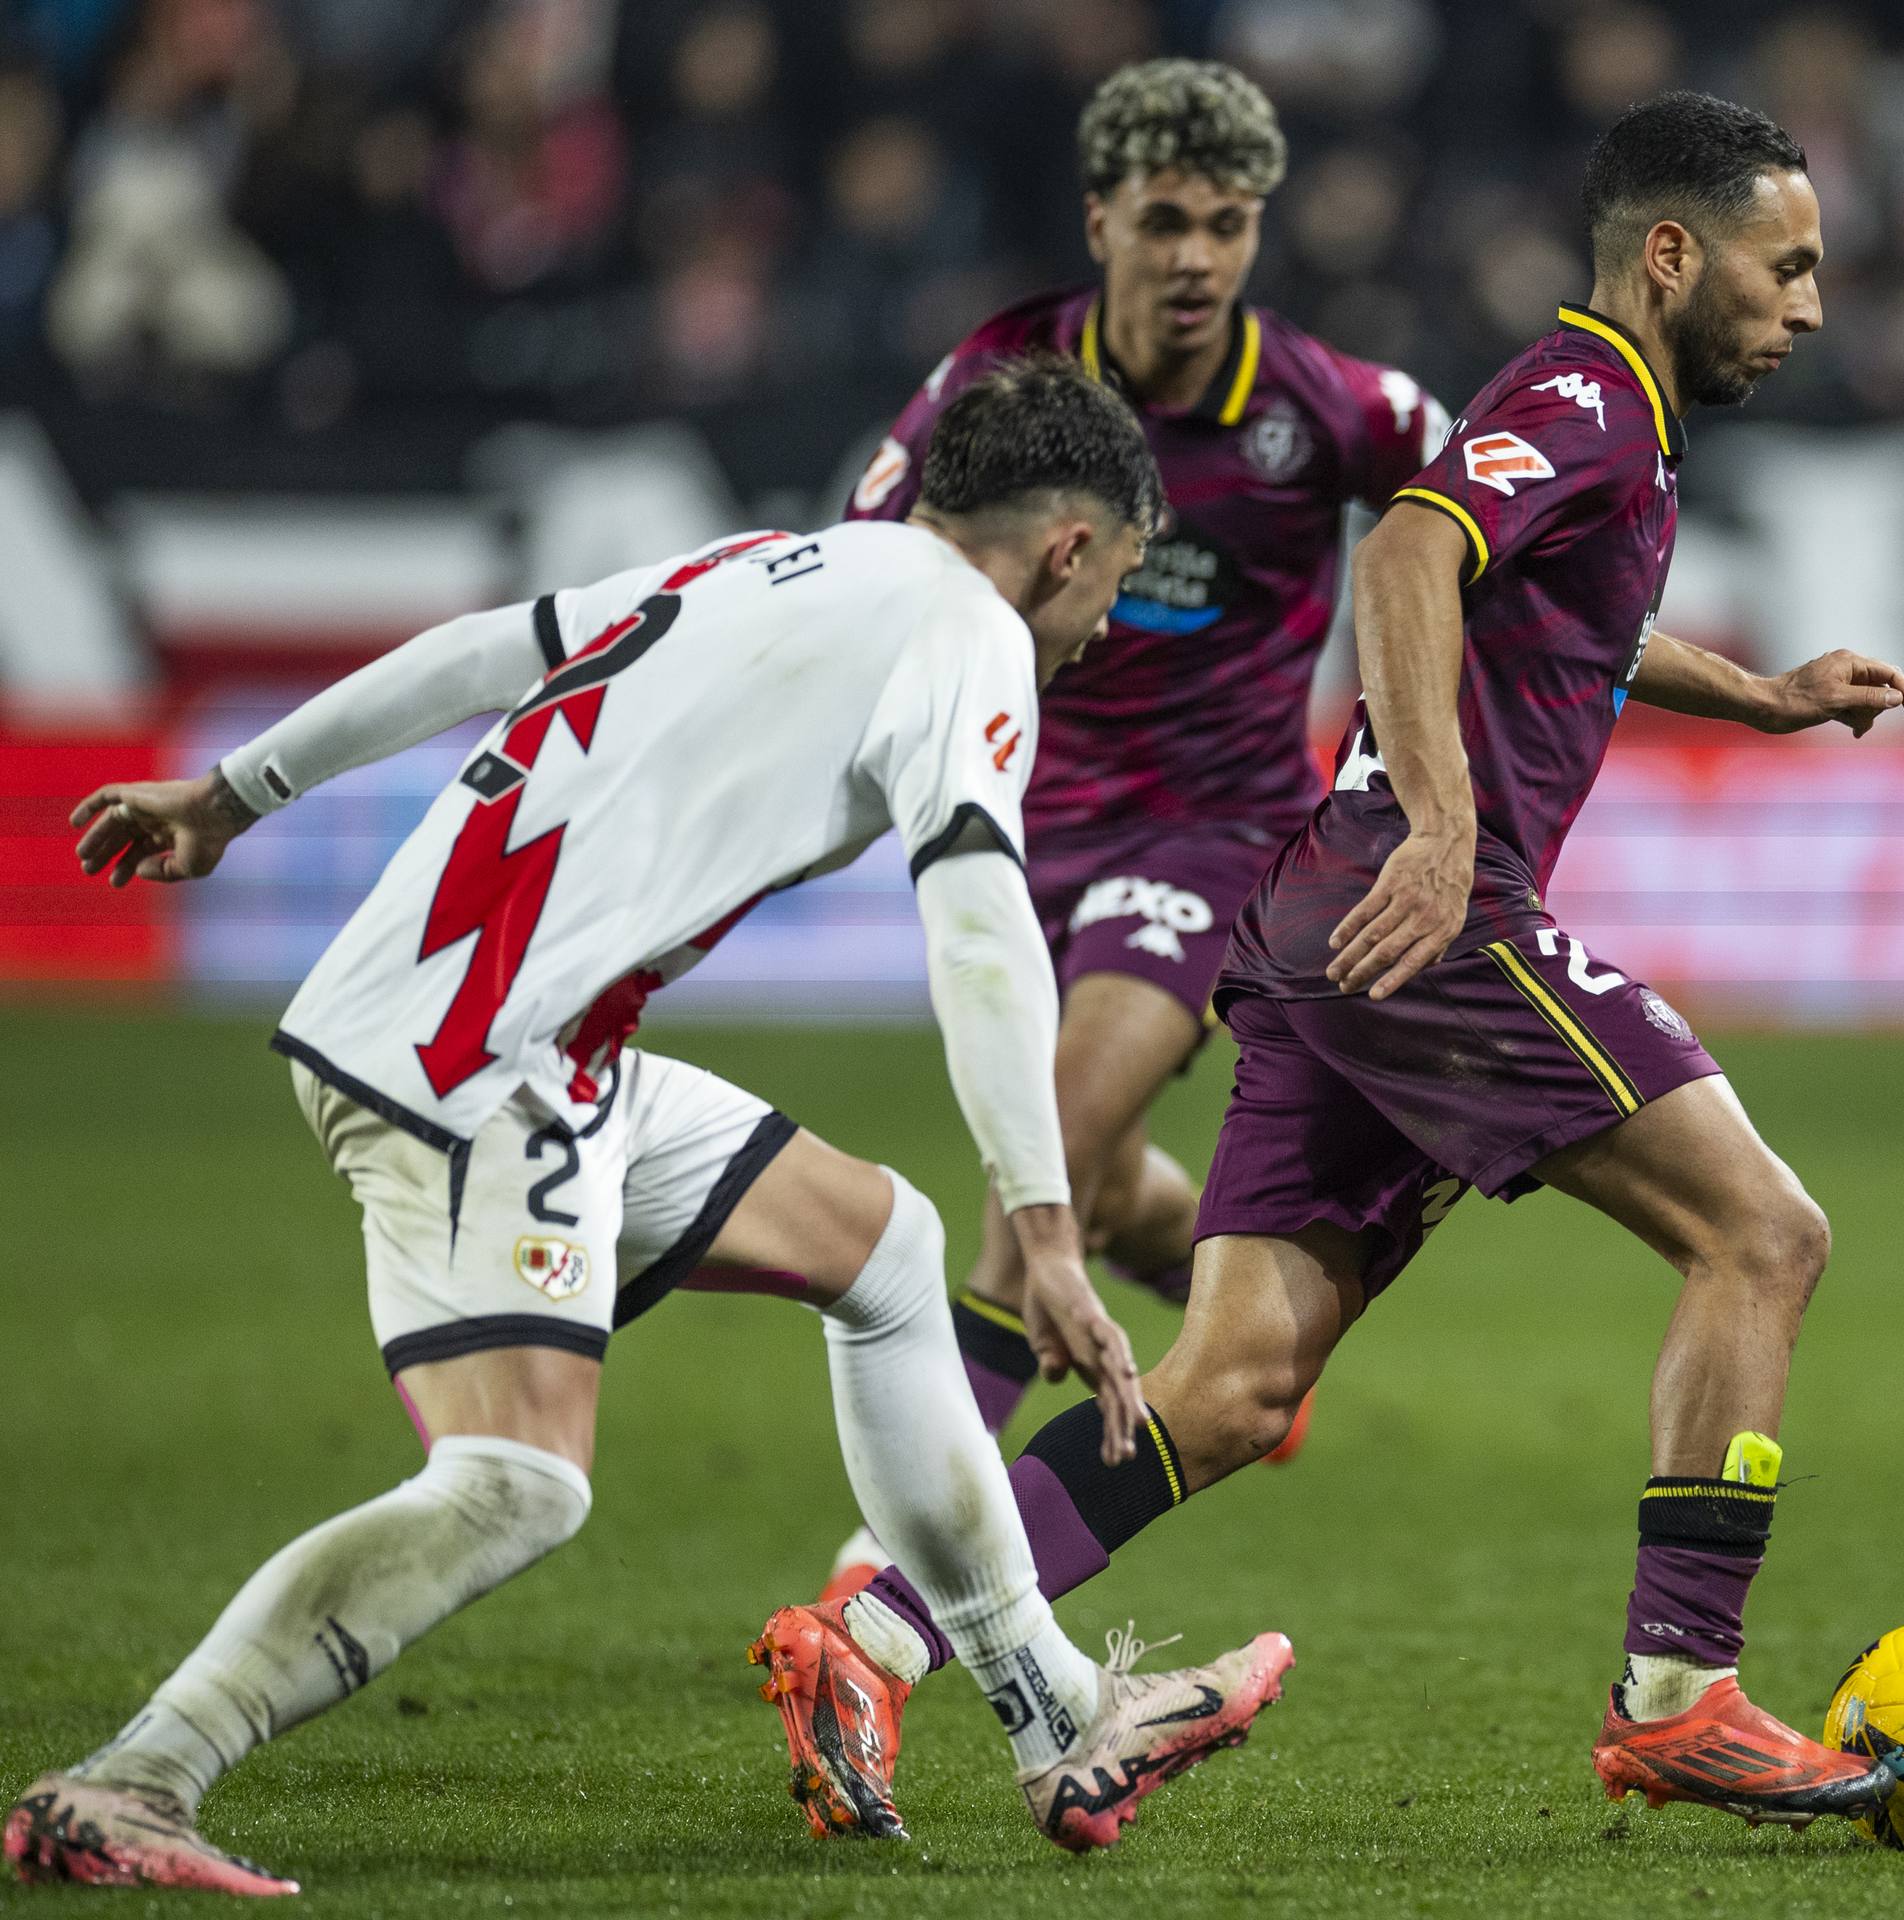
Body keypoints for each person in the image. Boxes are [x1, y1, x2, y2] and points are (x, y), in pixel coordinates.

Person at [6, 359, 1290, 1894]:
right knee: (518, 1486)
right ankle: (135, 1778)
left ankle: (1056, 1716)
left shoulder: (765, 562)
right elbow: (979, 921)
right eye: (1116, 589)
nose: (1097, 634)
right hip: (483, 1060)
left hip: (522, 1041)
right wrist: (1052, 1224)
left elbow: (486, 650)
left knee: (885, 1249)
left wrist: (234, 789)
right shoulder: (970, 633)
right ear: (1070, 546)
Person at [835, 91, 1904, 1828]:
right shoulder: (1585, 394)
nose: (1807, 304)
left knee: (1233, 1385)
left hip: (1326, 920)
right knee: (1762, 1235)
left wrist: (1769, 694)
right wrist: (1437, 822)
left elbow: (1568, 620)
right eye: (1784, 266)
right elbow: (1414, 552)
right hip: (1430, 918)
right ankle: (1681, 1690)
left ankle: (873, 1632)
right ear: (1672, 252)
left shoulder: (1605, 417)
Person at [827, 59, 1447, 1507]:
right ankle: (1239, 1336)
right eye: (1166, 220)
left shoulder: (1323, 407)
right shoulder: (1000, 380)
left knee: (1030, 1167)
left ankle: (895, 1576)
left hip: (1216, 834)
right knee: (1092, 1183)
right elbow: (868, 551)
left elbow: (1496, 514)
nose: (1196, 259)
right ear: (1100, 217)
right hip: (1016, 828)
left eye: (1227, 225)